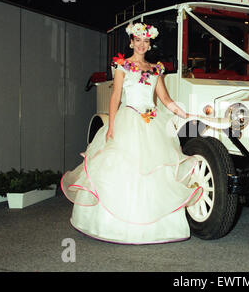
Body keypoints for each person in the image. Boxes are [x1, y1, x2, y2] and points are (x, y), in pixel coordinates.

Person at [61, 22, 202, 244]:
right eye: (138, 40)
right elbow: (116, 97)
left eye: (146, 41)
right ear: (131, 42)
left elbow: (165, 99)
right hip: (128, 120)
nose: (142, 45)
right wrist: (112, 127)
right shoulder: (122, 66)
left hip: (151, 122)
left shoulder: (156, 69)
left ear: (149, 44)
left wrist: (182, 112)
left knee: (153, 171)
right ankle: (115, 226)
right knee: (123, 169)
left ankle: (157, 228)